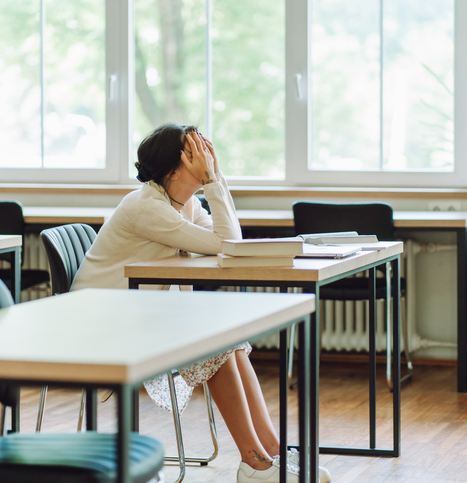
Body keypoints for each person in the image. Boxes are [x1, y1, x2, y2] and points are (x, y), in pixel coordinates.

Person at [72, 123, 331, 483]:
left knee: (230, 341)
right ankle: (254, 462)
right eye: (194, 149)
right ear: (173, 169)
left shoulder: (183, 203)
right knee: (213, 344)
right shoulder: (148, 206)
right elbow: (225, 245)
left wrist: (216, 179)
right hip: (101, 325)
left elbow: (230, 240)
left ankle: (271, 450)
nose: (207, 153)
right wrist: (212, 180)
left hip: (137, 315)